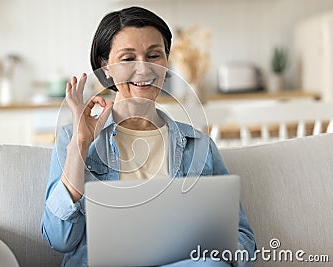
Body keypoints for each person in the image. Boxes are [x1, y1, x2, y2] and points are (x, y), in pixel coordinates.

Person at [41, 6, 256, 267]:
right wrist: (81, 145)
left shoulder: (198, 146)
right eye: (128, 59)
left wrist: (213, 252)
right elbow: (59, 239)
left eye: (154, 55)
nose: (143, 70)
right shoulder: (73, 138)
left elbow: (242, 237)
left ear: (167, 62)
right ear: (105, 66)